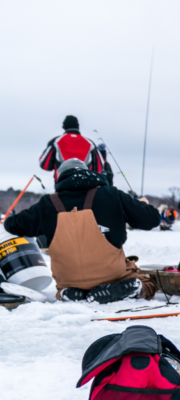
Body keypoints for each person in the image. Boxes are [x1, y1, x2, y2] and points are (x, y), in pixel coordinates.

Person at [3, 159, 160, 302]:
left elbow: (12, 225)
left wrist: (8, 220)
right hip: (111, 275)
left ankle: (70, 293)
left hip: (68, 280)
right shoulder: (112, 195)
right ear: (88, 173)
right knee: (147, 283)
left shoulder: (47, 204)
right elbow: (152, 220)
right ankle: (123, 289)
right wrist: (143, 205)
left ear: (60, 178)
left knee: (67, 285)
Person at [38, 116, 106, 182]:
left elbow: (45, 165)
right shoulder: (90, 143)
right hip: (85, 185)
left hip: (62, 184)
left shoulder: (56, 141)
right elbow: (99, 168)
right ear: (78, 126)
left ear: (64, 126)